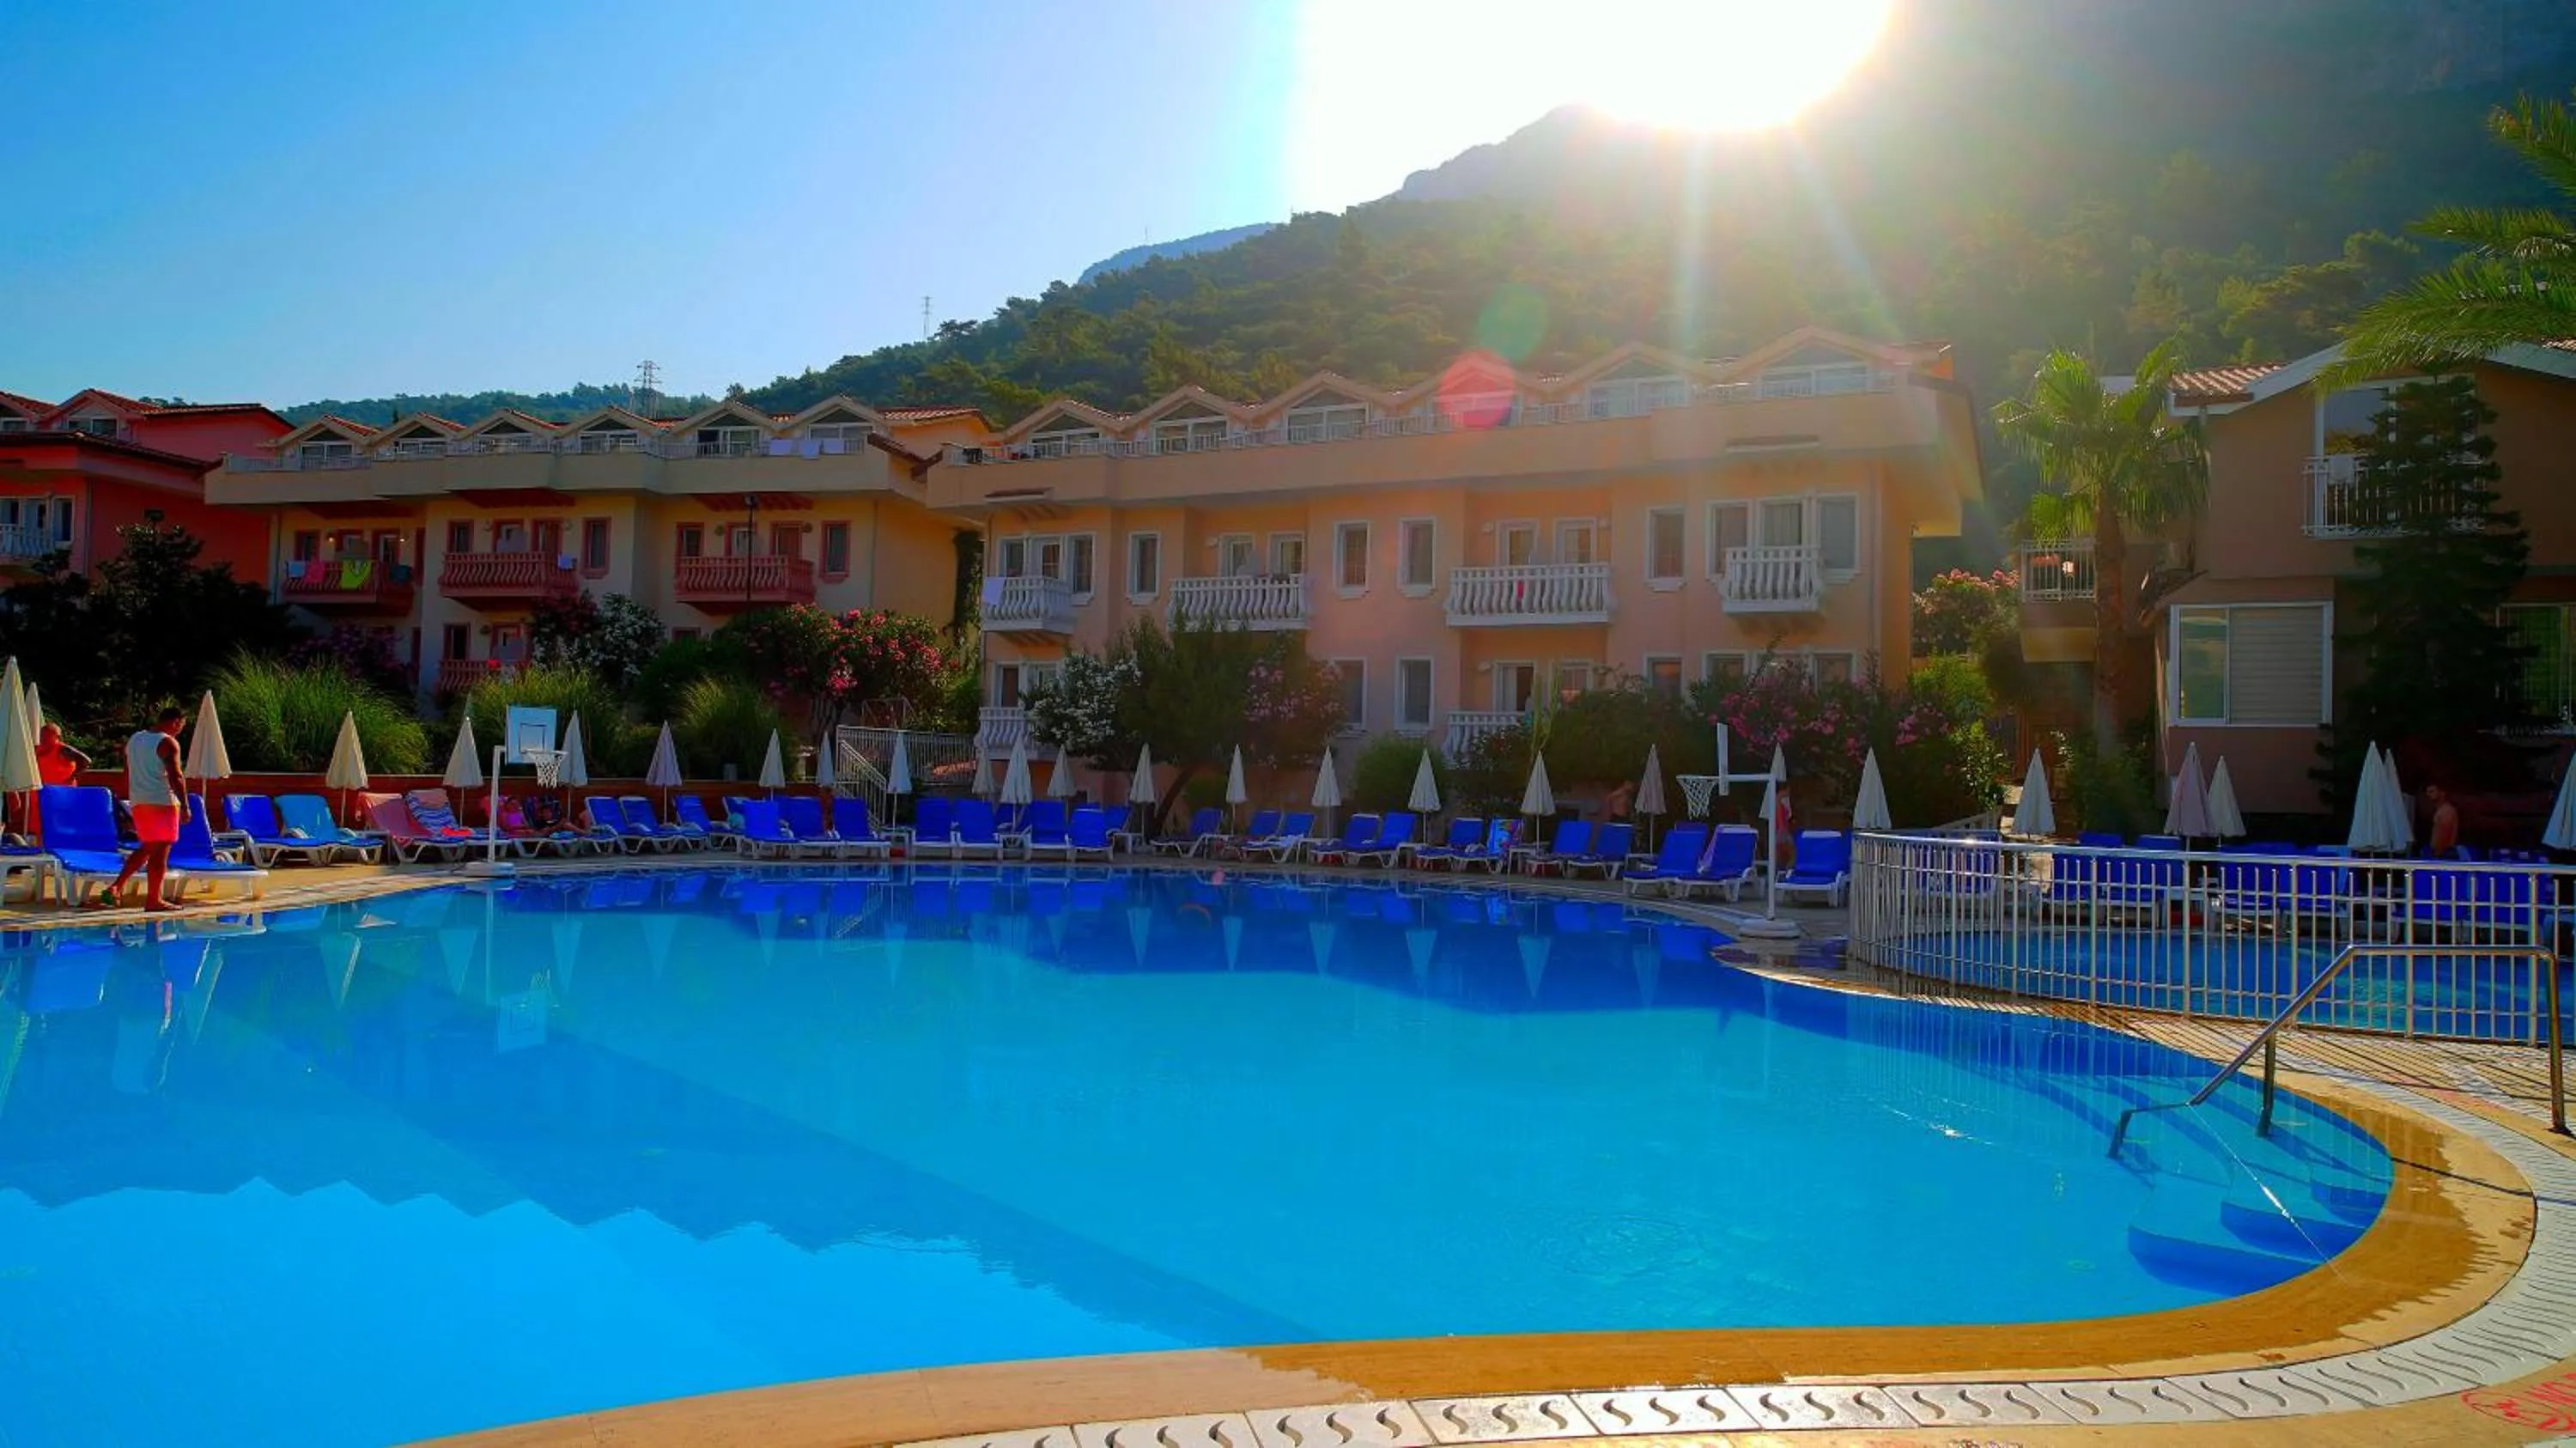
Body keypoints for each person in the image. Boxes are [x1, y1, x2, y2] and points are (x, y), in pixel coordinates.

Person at [97, 707, 187, 912]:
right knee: (160, 851)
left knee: (149, 847)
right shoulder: (167, 742)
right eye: (181, 726)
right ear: (175, 722)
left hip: (139, 802)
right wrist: (186, 806)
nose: (179, 731)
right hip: (162, 801)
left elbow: (126, 772)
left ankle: (117, 888)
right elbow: (176, 777)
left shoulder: (135, 740)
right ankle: (152, 899)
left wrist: (127, 800)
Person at [20, 723, 90, 837]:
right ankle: (40, 847)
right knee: (39, 827)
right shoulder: (36, 749)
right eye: (42, 735)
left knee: (60, 825)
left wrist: (73, 776)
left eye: (47, 736)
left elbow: (86, 761)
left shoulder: (63, 750)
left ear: (57, 736)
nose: (44, 738)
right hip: (40, 794)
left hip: (60, 795)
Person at [2425, 782, 2461, 859]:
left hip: (2444, 854)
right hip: (2440, 853)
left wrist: (2438, 853)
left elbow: (2444, 832)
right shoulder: (2440, 810)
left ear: (2442, 793)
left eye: (2432, 792)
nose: (2428, 795)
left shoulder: (2446, 811)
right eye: (2427, 792)